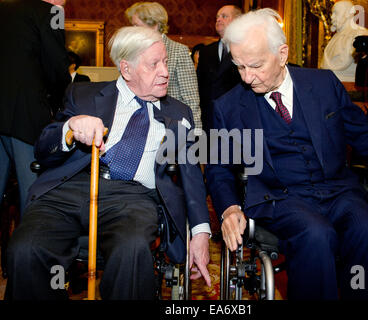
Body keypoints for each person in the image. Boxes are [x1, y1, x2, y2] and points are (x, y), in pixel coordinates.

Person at [205, 8, 368, 300]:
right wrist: (228, 208)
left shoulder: (324, 85)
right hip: (280, 199)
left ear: (282, 53)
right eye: (239, 67)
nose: (248, 78)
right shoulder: (228, 106)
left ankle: (359, 292)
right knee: (316, 235)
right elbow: (218, 167)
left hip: (339, 191)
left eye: (255, 66)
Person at [5, 26, 211, 300]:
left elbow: (192, 177)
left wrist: (200, 233)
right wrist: (70, 126)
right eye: (154, 64)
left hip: (133, 198)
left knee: (133, 249)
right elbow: (44, 148)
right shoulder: (84, 96)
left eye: (165, 61)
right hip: (68, 192)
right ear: (126, 69)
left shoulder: (179, 112)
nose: (165, 71)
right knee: (25, 248)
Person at [0, 0, 71, 216]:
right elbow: (57, 65)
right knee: (32, 191)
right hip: (24, 114)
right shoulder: (53, 13)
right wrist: (65, 103)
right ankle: (27, 250)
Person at [125, 2, 202, 132]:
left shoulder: (178, 51)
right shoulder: (133, 51)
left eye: (136, 26)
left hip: (172, 127)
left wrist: (196, 136)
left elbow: (191, 99)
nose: (133, 30)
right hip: (138, 124)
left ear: (154, 25)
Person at [197, 5, 242, 133]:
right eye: (217, 17)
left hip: (236, 119)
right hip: (209, 120)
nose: (218, 19)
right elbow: (199, 86)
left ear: (237, 21)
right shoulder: (206, 51)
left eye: (224, 16)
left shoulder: (244, 48)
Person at [321, 0, 368, 82]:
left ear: (348, 14)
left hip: (347, 84)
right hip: (329, 81)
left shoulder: (361, 34)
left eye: (336, 13)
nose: (332, 17)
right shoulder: (334, 37)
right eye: (332, 13)